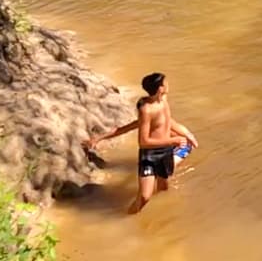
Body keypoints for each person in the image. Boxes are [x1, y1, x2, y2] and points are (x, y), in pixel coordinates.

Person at [83, 72, 196, 214]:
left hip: (166, 152)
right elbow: (143, 142)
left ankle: (161, 214)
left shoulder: (163, 100)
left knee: (163, 189)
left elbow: (168, 122)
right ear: (160, 88)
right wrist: (174, 140)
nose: (168, 84)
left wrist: (187, 136)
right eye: (165, 83)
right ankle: (125, 217)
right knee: (144, 196)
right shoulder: (146, 110)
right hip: (150, 155)